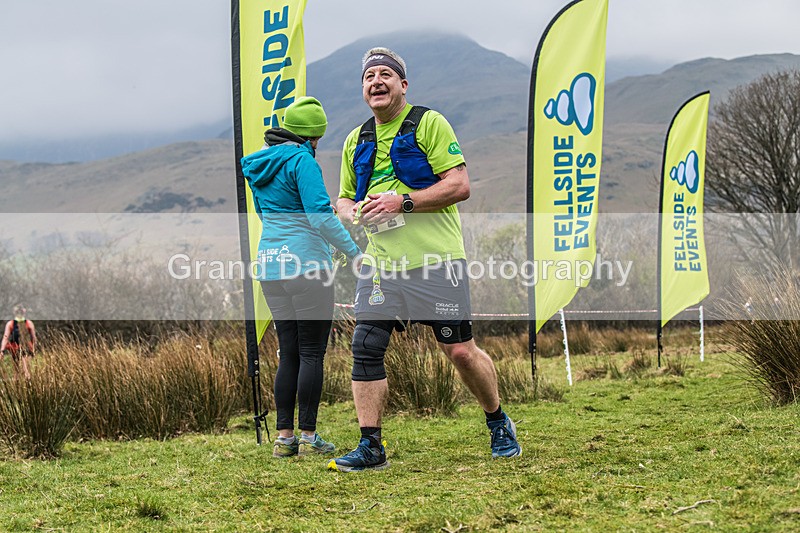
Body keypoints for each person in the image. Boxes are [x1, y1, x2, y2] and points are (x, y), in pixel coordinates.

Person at [329, 47, 521, 472]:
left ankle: (497, 421)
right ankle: (371, 446)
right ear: (363, 89)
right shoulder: (355, 139)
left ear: (403, 84)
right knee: (365, 346)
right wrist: (356, 212)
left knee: (460, 352)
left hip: (437, 261)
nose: (376, 82)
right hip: (381, 265)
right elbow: (341, 200)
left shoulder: (429, 123)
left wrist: (403, 203)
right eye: (368, 77)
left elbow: (459, 185)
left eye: (385, 75)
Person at [241, 96, 362, 458]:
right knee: (312, 353)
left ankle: (284, 438)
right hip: (308, 267)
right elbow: (321, 217)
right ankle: (309, 437)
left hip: (271, 267)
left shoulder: (259, 165)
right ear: (313, 138)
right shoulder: (303, 161)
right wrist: (354, 253)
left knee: (289, 352)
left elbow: (265, 215)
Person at [0, 305, 36, 380]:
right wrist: (2, 350)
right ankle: (19, 388)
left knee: (25, 369)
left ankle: (27, 387)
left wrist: (33, 349)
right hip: (15, 348)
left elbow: (33, 338)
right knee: (17, 371)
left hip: (26, 348)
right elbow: (5, 337)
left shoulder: (28, 323)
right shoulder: (11, 324)